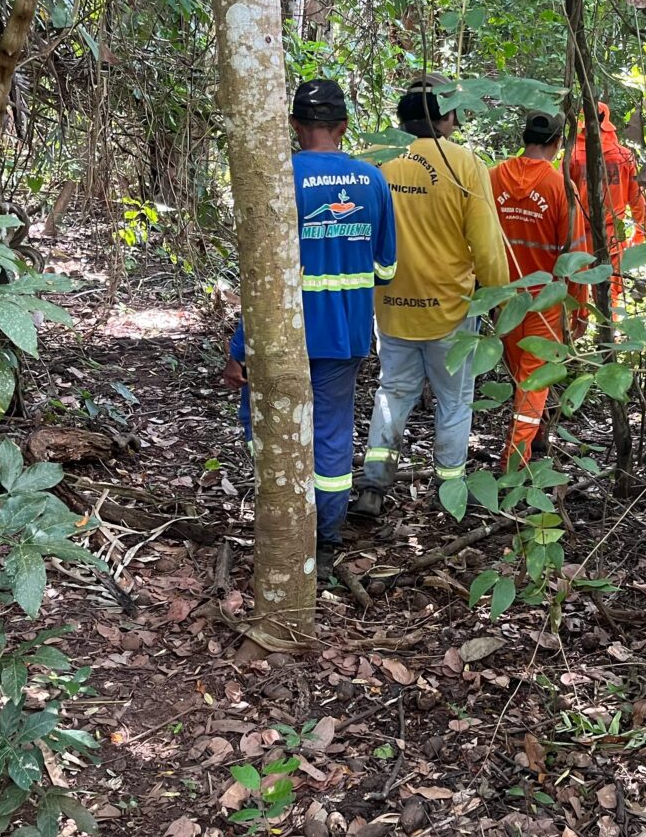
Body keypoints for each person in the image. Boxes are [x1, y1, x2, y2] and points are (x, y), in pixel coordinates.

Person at [224, 78, 396, 569]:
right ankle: (328, 533)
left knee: (268, 421)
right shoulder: (374, 181)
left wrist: (240, 348)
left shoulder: (280, 180)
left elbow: (260, 277)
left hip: (285, 333)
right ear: (342, 126)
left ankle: (284, 523)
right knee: (334, 431)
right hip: (347, 334)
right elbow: (386, 269)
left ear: (295, 126)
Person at [351, 75, 507, 518]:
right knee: (455, 400)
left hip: (391, 305)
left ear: (401, 117)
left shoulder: (376, 160)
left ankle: (374, 486)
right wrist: (498, 298)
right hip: (450, 309)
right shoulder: (464, 164)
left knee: (392, 392)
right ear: (448, 117)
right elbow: (487, 246)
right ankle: (450, 492)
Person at [490, 111, 589, 466]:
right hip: (545, 303)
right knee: (532, 385)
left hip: (504, 299)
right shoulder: (561, 186)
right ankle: (514, 461)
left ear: (523, 138)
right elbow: (575, 256)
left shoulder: (493, 178)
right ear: (558, 143)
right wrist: (579, 309)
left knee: (523, 382)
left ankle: (533, 442)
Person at [567, 102, 646, 288]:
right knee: (612, 292)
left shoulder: (571, 157)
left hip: (580, 235)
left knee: (579, 291)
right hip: (613, 234)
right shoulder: (624, 156)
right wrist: (641, 231)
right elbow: (637, 199)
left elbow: (563, 199)